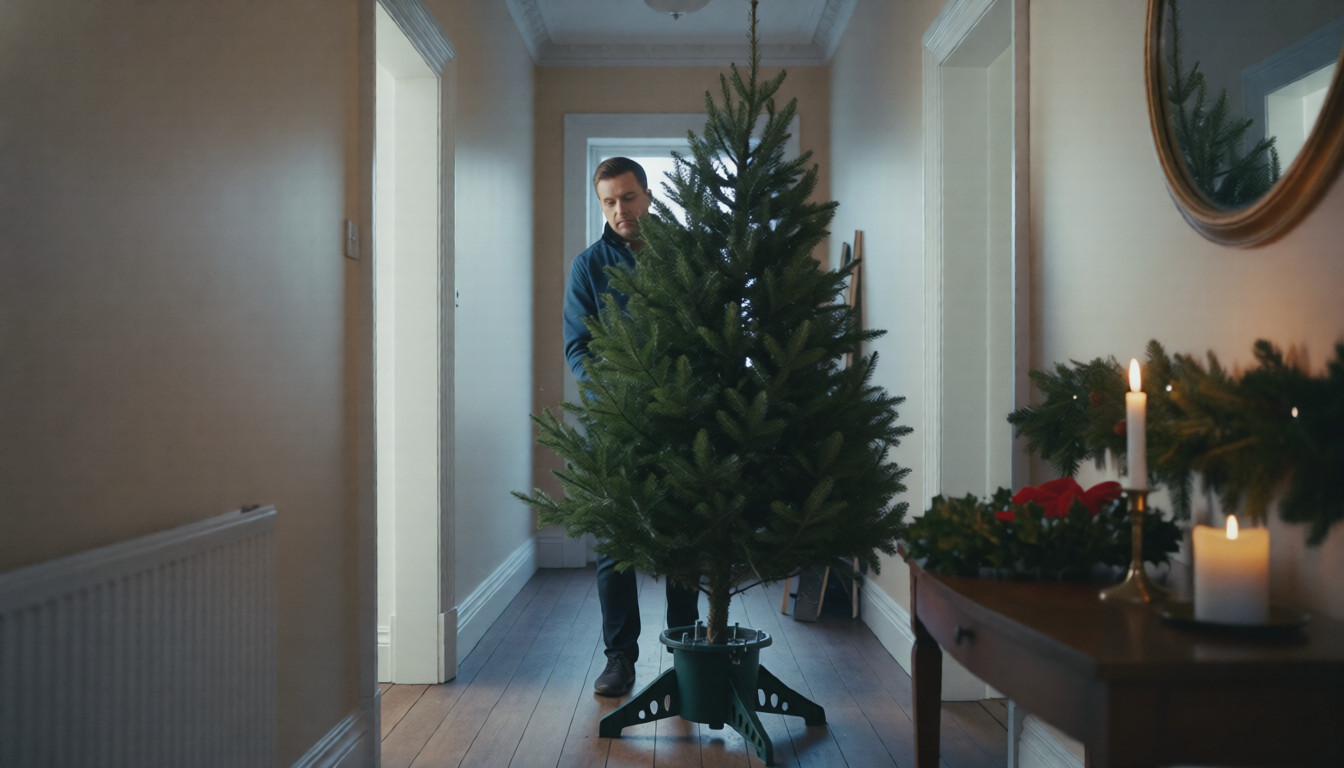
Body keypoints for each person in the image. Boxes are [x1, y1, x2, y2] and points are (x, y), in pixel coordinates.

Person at [563, 156, 700, 697]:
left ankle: (687, 647)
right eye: (609, 202)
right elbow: (579, 348)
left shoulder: (682, 257)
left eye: (628, 197)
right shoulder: (587, 268)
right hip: (615, 425)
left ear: (647, 195)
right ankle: (620, 659)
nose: (621, 210)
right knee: (615, 544)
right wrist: (618, 403)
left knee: (685, 541)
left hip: (683, 422)